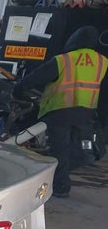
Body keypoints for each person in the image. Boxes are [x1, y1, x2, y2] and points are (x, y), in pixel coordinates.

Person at [14, 26, 108, 198]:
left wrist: (18, 89)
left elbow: (35, 77)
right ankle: (59, 175)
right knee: (82, 148)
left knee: (59, 150)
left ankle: (59, 186)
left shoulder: (64, 60)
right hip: (85, 114)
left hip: (59, 113)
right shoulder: (102, 61)